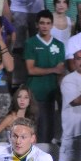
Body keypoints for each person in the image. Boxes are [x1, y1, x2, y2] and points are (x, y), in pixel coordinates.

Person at [24, 10, 64, 143]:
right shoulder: (30, 43)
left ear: (52, 25)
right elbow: (31, 70)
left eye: (48, 23)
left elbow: (60, 72)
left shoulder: (59, 45)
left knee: (49, 132)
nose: (45, 26)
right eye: (42, 23)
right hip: (34, 94)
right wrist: (53, 69)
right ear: (36, 25)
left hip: (51, 95)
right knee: (33, 132)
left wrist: (60, 95)